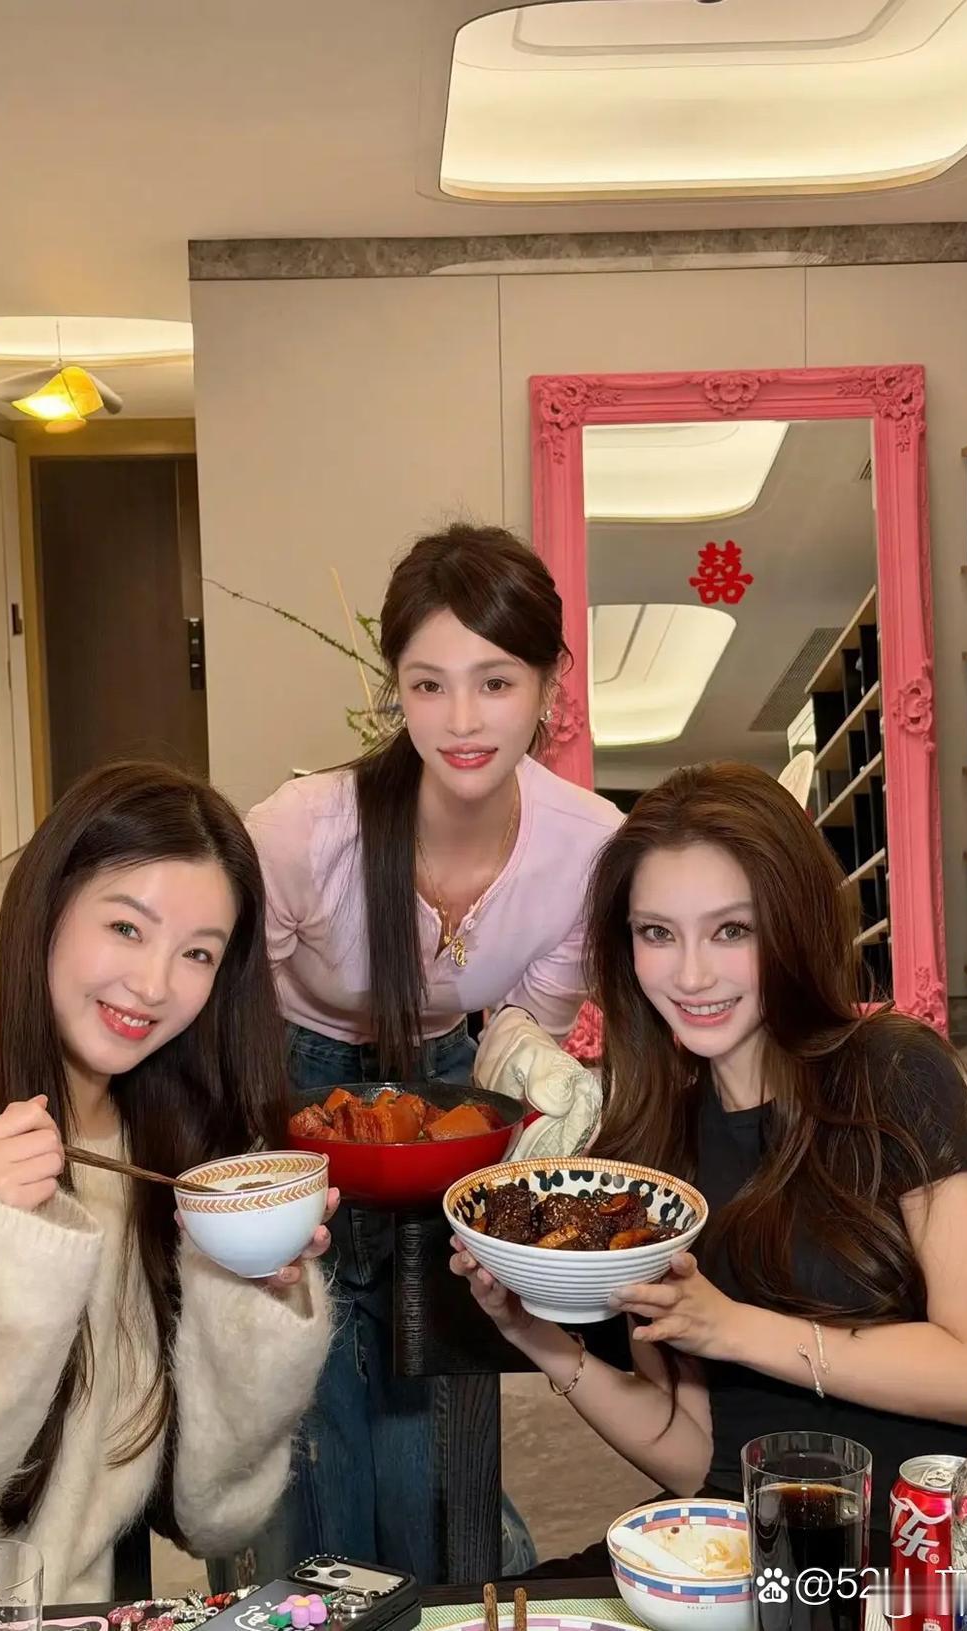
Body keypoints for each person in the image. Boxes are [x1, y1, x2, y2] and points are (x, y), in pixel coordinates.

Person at [452, 761, 967, 1566]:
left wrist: (734, 1327)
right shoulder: (649, 1146)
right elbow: (694, 1453)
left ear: (790, 925)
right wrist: (533, 1332)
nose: (691, 974)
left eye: (731, 930)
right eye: (657, 933)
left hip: (897, 1551)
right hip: (728, 1543)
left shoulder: (893, 1074)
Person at [0, 763, 334, 1614]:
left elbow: (216, 1515)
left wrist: (250, 1291)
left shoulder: (171, 1150)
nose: (153, 985)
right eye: (127, 927)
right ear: (49, 905)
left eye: (197, 953)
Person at [245, 522, 623, 1582]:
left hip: (450, 1081)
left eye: (495, 682)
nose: (461, 721)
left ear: (549, 682)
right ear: (394, 690)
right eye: (429, 685)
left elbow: (521, 1036)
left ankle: (453, 1591)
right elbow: (224, 1016)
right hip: (291, 1079)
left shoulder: (586, 843)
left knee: (431, 1404)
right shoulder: (304, 829)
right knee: (314, 1404)